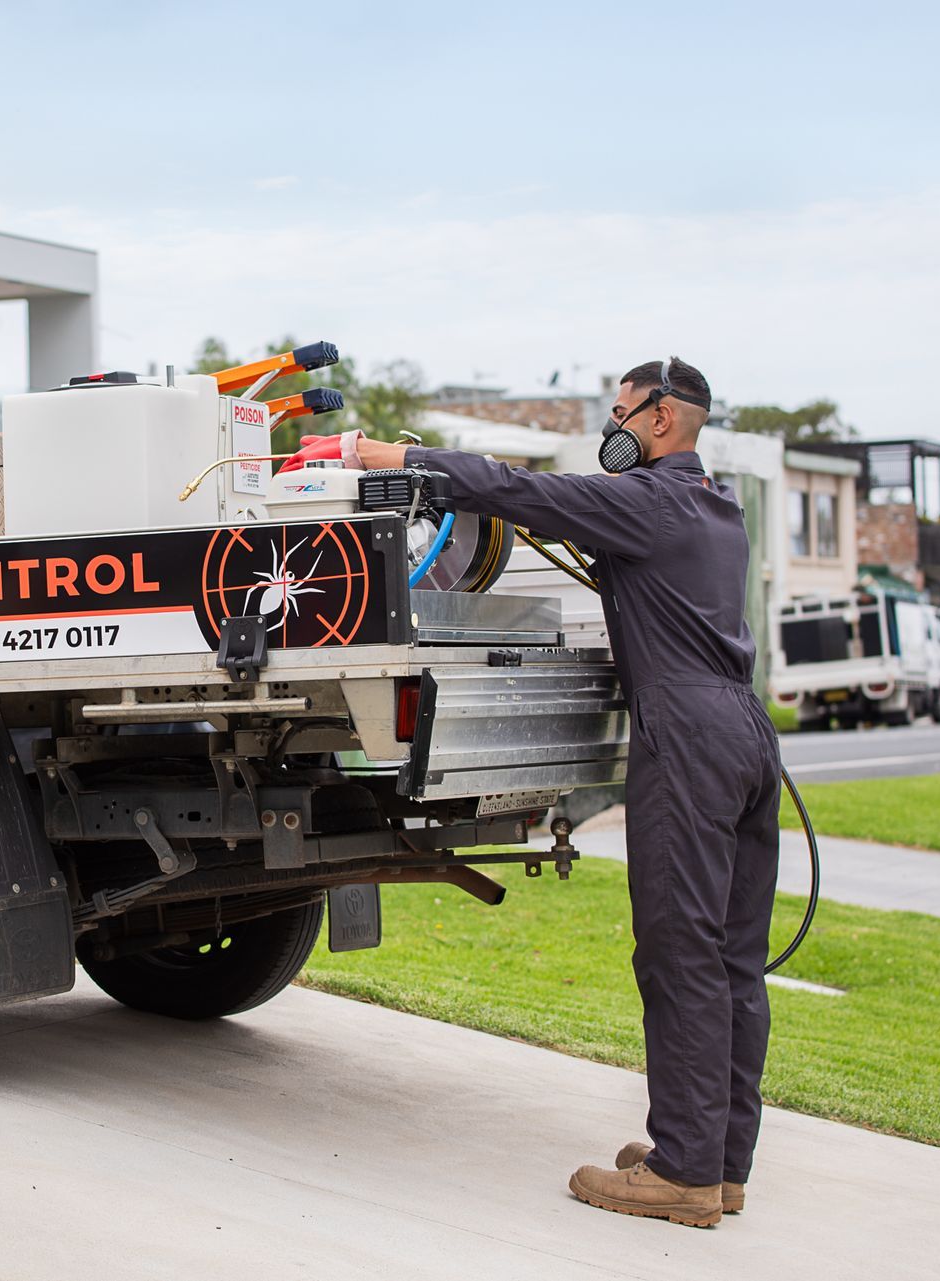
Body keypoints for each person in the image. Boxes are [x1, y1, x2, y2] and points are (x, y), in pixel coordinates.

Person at [292, 358, 781, 1229]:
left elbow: (517, 488)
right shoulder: (716, 507)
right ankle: (721, 1161)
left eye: (624, 412)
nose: (614, 427)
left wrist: (388, 456)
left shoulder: (647, 503)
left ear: (663, 417)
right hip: (745, 732)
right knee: (734, 955)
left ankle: (683, 1173)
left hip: (691, 740)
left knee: (679, 952)